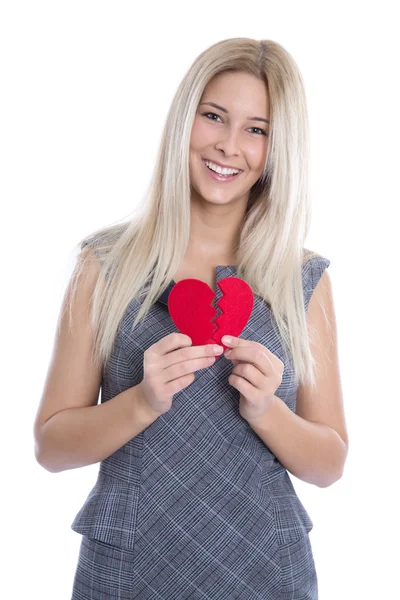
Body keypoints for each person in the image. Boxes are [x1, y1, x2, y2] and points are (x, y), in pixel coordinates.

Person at [33, 37, 348, 599]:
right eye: (214, 117)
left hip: (266, 572)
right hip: (127, 572)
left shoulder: (301, 280)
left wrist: (266, 409)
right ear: (186, 120)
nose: (229, 146)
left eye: (257, 129)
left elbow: (329, 463)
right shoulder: (105, 266)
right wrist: (143, 400)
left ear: (278, 149)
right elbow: (52, 446)